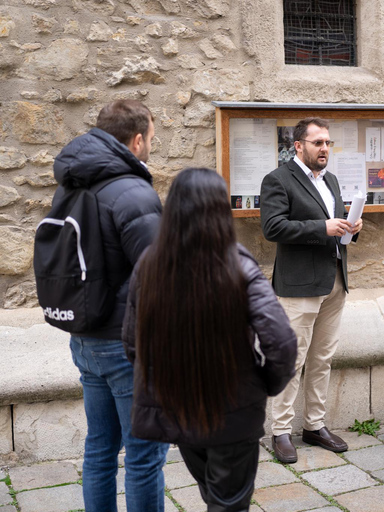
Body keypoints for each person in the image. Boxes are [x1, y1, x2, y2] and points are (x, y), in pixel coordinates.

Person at [123, 168, 297, 511]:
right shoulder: (238, 265)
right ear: (220, 209)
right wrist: (265, 384)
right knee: (227, 502)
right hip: (233, 410)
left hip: (181, 409)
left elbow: (132, 343)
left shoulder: (150, 264)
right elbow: (282, 342)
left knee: (214, 495)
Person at [52, 100, 168, 511]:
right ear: (137, 140)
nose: (152, 146)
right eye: (152, 138)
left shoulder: (70, 182)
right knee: (144, 454)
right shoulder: (133, 190)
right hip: (126, 343)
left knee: (100, 448)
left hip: (84, 336)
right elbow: (160, 274)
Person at [260, 117, 363, 464]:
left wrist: (351, 227)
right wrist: (323, 226)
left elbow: (336, 228)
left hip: (335, 279)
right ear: (298, 145)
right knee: (292, 360)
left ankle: (314, 426)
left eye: (328, 143)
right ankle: (280, 431)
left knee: (321, 358)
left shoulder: (331, 180)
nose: (324, 149)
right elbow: (273, 227)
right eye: (318, 143)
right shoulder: (278, 179)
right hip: (299, 284)